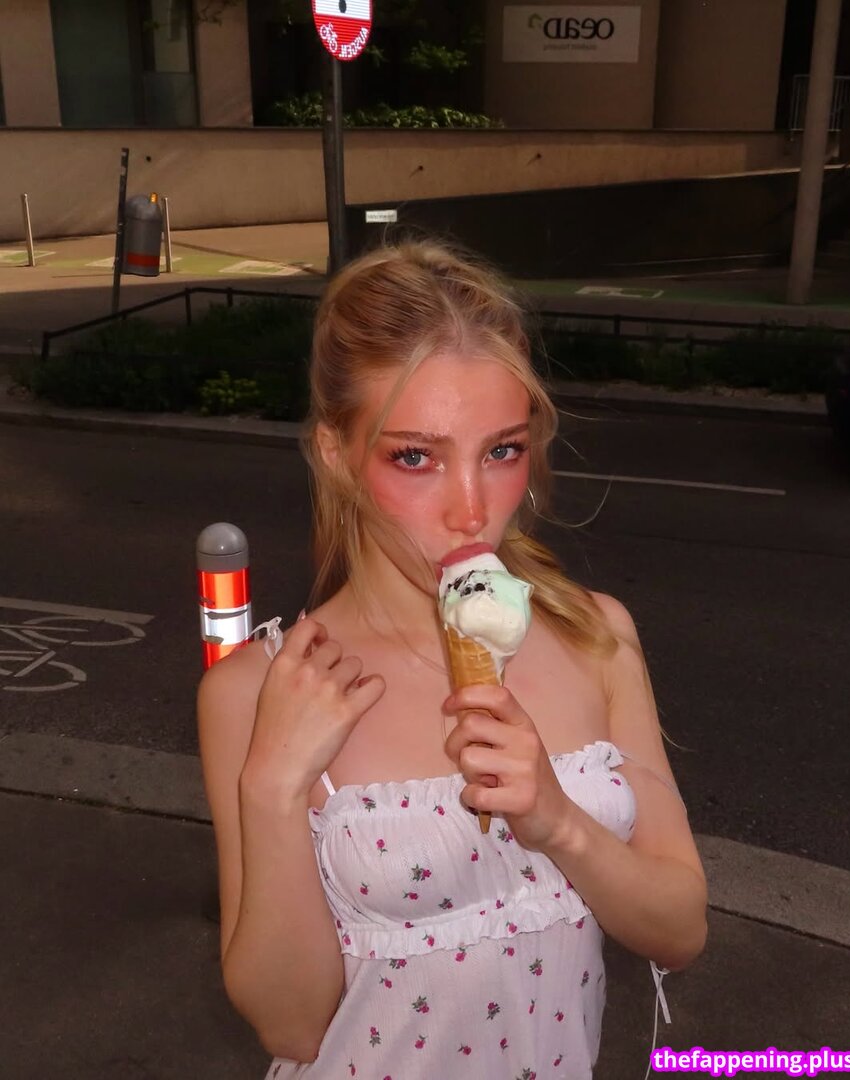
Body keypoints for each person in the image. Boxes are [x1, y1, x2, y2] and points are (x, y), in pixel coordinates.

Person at [197, 241, 708, 1079]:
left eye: (501, 450)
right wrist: (274, 787)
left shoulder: (597, 635)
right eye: (415, 456)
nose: (471, 510)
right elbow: (289, 1028)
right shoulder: (260, 690)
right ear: (335, 453)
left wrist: (561, 823)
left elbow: (680, 930)